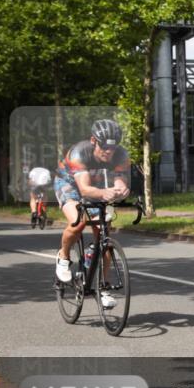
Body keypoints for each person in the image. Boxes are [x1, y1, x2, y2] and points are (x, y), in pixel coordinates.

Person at [54, 119, 132, 309]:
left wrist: (121, 190)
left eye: (112, 148)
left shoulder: (121, 155)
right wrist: (105, 192)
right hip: (69, 185)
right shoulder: (79, 153)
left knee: (104, 236)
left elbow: (120, 180)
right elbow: (85, 189)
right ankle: (63, 257)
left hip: (96, 186)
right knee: (78, 222)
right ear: (93, 141)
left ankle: (103, 287)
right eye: (104, 147)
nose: (108, 152)